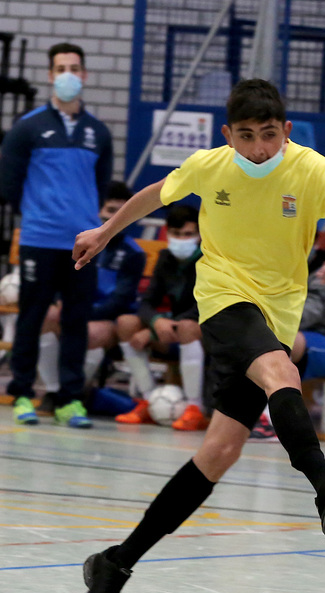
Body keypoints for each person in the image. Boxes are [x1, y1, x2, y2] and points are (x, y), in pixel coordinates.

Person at [72, 78, 325, 593]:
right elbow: (155, 194)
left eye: (268, 135)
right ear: (228, 135)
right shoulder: (210, 165)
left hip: (278, 314)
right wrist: (106, 230)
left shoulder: (311, 169)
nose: (259, 148)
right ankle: (323, 483)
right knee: (281, 370)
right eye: (246, 136)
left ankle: (114, 566)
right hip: (222, 301)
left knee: (218, 454)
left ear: (285, 131)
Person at [0, 42, 113, 428]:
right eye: (61, 67)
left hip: (83, 244)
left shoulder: (98, 133)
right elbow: (10, 186)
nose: (68, 74)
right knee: (31, 318)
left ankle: (69, 400)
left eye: (75, 67)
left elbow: (99, 189)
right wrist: (41, 215)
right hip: (38, 240)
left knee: (75, 322)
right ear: (50, 75)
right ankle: (22, 394)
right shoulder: (27, 128)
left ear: (84, 75)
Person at [34, 181, 146, 409]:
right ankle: (54, 391)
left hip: (107, 318)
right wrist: (61, 303)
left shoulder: (133, 253)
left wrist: (81, 313)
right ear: (98, 211)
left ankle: (74, 394)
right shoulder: (78, 242)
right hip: (76, 308)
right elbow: (59, 283)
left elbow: (120, 301)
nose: (114, 219)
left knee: (89, 333)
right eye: (110, 211)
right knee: (46, 315)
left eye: (121, 212)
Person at [250, 246, 325, 440]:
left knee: (281, 338)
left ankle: (273, 420)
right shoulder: (278, 267)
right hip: (302, 343)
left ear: (314, 241)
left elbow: (302, 317)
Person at [113, 204, 207, 430]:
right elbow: (147, 302)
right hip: (170, 329)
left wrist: (154, 328)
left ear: (200, 235)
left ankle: (195, 408)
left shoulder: (209, 260)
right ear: (167, 233)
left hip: (204, 331)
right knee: (126, 323)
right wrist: (156, 321)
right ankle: (147, 399)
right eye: (176, 234)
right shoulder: (165, 257)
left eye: (188, 234)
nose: (181, 239)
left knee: (186, 326)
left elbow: (203, 307)